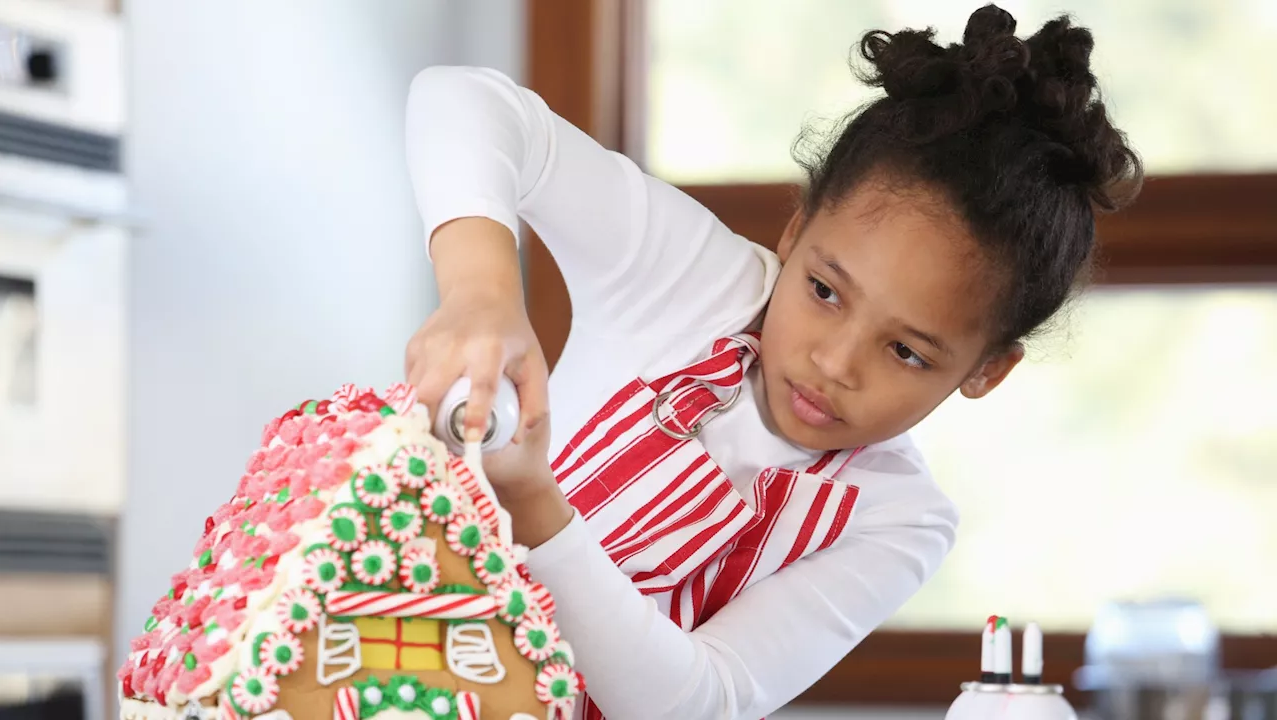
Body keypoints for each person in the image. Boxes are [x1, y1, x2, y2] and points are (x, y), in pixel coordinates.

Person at [402, 5, 1141, 719]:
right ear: (793, 231)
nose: (834, 360)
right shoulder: (690, 283)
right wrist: (483, 294)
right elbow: (464, 100)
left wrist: (536, 508)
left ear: (986, 371)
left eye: (908, 352)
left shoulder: (897, 520)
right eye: (824, 290)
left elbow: (698, 700)